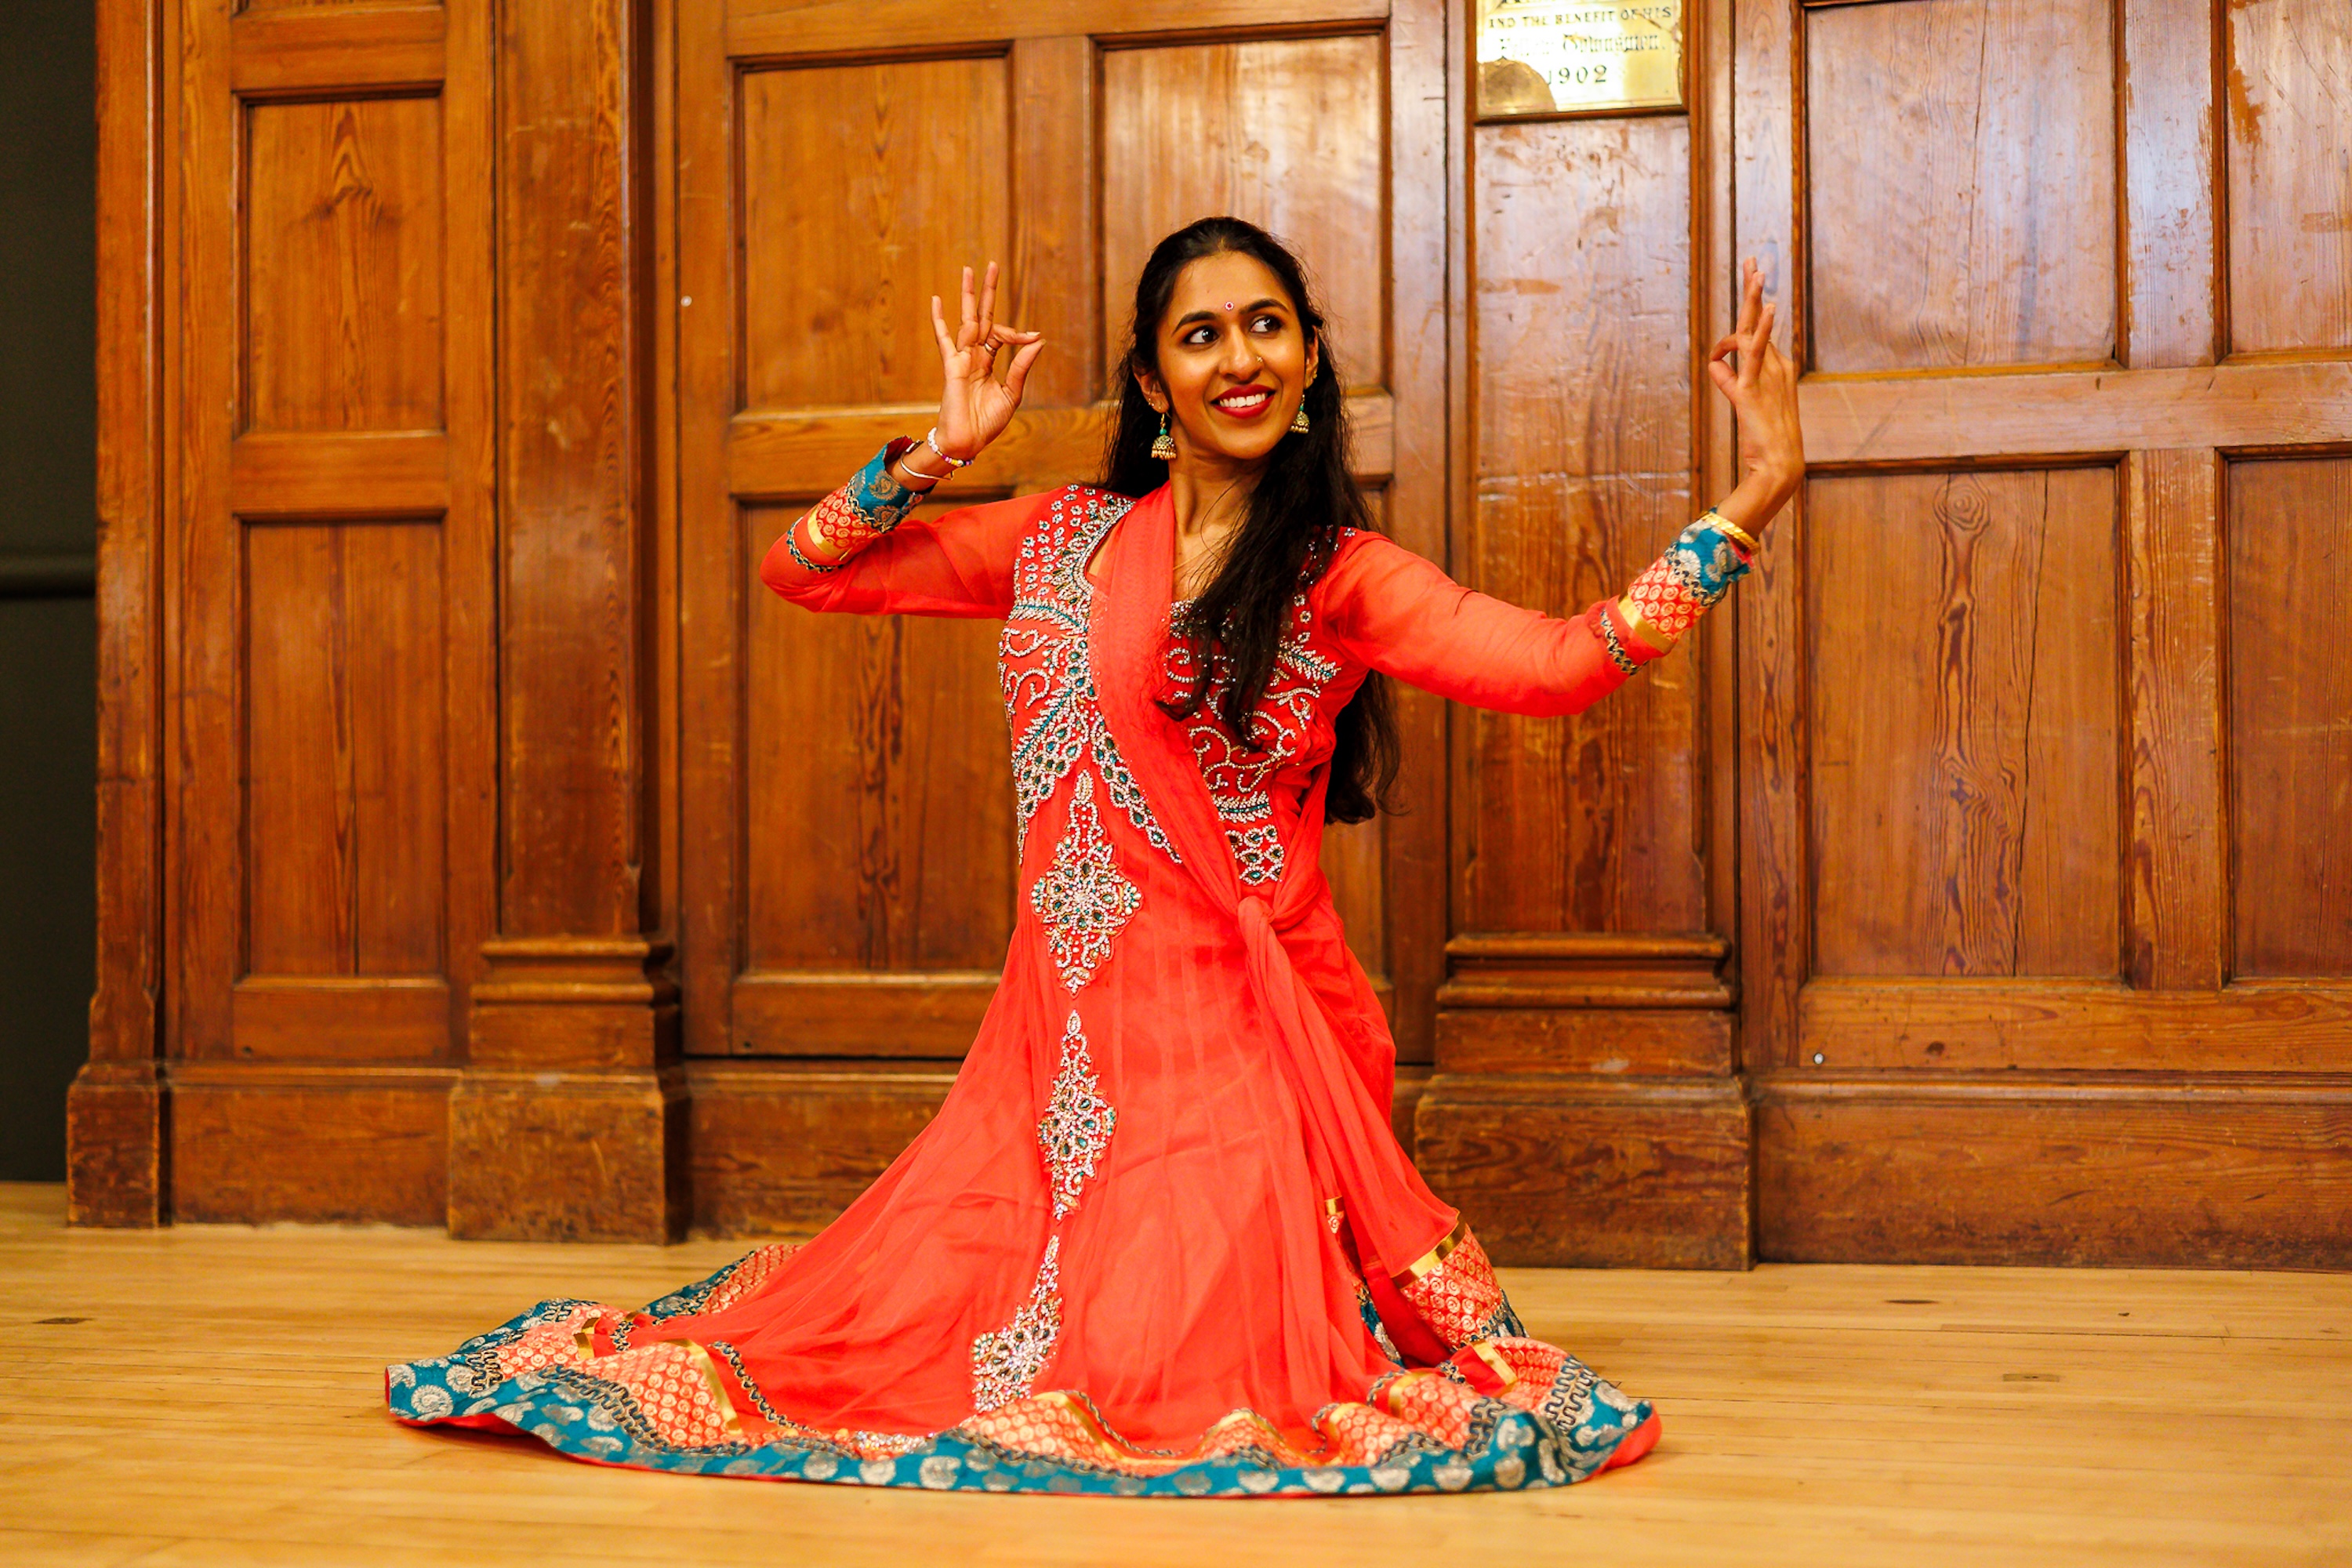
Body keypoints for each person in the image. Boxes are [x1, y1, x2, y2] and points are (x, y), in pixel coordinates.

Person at [388, 216, 1806, 1497]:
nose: (1241, 360)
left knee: (1204, 1372)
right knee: (928, 1334)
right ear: (1151, 380)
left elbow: (1565, 663)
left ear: (1310, 361)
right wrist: (940, 451)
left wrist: (1756, 492)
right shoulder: (1061, 539)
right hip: (1059, 1037)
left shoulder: (1338, 575)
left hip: (1243, 1046)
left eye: (1268, 327)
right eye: (1203, 334)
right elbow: (807, 570)